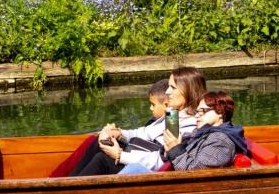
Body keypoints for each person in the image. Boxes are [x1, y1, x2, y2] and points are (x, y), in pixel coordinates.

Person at [69, 66, 207, 177]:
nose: (168, 91)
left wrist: (120, 155)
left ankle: (67, 192)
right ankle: (65, 182)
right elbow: (144, 133)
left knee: (102, 159)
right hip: (142, 159)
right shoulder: (174, 115)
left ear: (188, 91)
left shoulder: (190, 125)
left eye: (173, 87)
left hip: (152, 174)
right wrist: (119, 133)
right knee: (98, 141)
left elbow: (161, 160)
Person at [161, 91, 249, 171]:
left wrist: (175, 149)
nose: (196, 116)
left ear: (220, 113)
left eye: (202, 111)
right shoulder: (202, 133)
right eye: (197, 111)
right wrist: (171, 147)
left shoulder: (220, 141)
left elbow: (195, 171)